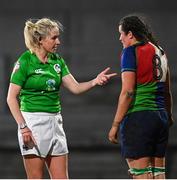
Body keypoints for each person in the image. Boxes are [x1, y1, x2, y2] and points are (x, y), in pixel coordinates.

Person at [7, 17, 116, 179]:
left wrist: (94, 81)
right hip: (33, 123)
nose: (58, 42)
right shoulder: (25, 61)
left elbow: (76, 88)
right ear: (40, 39)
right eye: (54, 38)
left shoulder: (57, 61)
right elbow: (11, 98)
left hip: (55, 123)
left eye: (58, 37)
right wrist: (23, 127)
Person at [108, 15, 173, 179]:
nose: (120, 38)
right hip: (161, 118)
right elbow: (167, 91)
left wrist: (115, 124)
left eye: (121, 33)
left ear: (130, 34)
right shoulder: (160, 51)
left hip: (139, 117)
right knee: (158, 175)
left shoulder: (130, 51)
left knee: (141, 175)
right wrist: (169, 115)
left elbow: (128, 91)